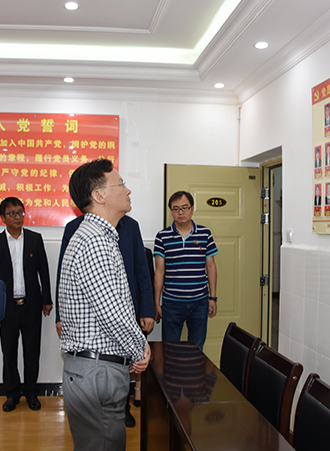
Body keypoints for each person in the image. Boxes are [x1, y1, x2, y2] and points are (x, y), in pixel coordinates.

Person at [58, 159, 150, 451]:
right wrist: (139, 347)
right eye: (121, 184)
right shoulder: (95, 241)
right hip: (97, 372)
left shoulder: (99, 236)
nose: (128, 190)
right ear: (99, 195)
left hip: (94, 369)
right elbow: (112, 313)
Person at [55, 212, 154, 427]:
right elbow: (63, 273)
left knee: (121, 364)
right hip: (90, 318)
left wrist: (147, 310)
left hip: (125, 311)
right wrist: (60, 316)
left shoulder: (130, 226)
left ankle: (123, 407)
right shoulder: (77, 228)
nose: (127, 195)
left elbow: (142, 270)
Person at [0, 197, 52, 413]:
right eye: (12, 213)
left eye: (20, 212)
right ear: (3, 217)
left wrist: (47, 299)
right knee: (8, 353)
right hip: (7, 308)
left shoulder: (35, 239)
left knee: (31, 351)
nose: (17, 217)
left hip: (31, 305)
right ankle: (12, 394)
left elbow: (43, 271)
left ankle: (31, 393)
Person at [154, 191, 218, 350]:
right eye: (176, 209)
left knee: (196, 349)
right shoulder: (162, 237)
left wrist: (213, 298)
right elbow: (159, 272)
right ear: (171, 211)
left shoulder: (205, 234)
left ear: (192, 209)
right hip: (172, 303)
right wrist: (156, 302)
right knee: (170, 349)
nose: (181, 212)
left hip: (200, 302)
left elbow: (211, 266)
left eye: (185, 208)